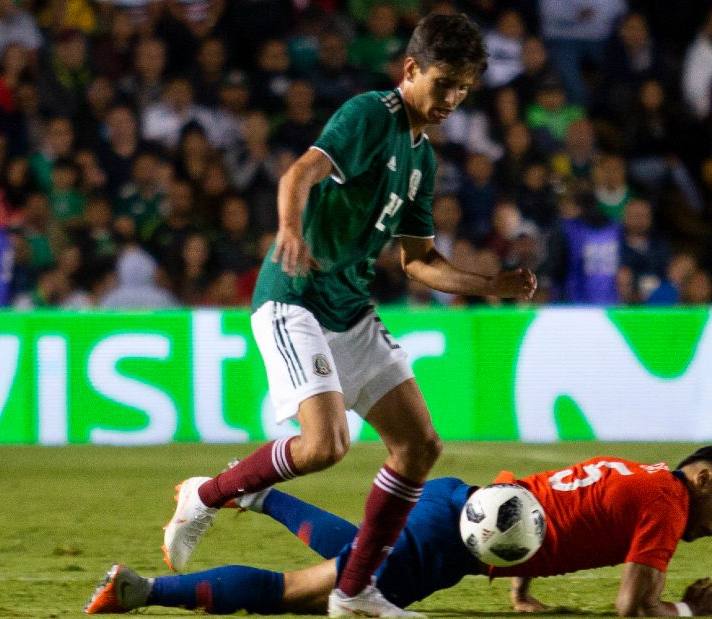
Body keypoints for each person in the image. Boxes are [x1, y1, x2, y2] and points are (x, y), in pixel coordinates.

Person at [160, 13, 536, 619]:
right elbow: (300, 172)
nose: (453, 99)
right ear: (410, 70)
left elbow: (419, 262)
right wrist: (288, 229)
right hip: (295, 298)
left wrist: (490, 285)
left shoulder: (423, 159)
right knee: (325, 445)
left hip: (352, 308)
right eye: (445, 83)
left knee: (418, 447)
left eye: (464, 88)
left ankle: (355, 593)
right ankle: (206, 494)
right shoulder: (370, 115)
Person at [86, 446, 712, 617]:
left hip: (460, 509)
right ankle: (142, 591)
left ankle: (259, 493)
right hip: (453, 540)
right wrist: (684, 608)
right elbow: (633, 606)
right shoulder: (669, 503)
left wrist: (522, 584)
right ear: (703, 477)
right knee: (297, 592)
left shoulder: (642, 476)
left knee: (354, 551)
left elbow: (540, 504)